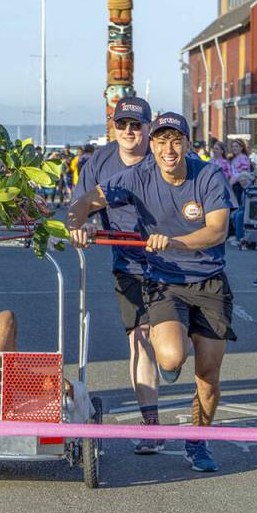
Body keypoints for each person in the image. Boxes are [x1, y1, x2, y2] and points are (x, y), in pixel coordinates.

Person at [67, 112, 235, 473]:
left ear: (188, 144)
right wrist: (76, 224)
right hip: (164, 281)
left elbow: (217, 231)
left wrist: (174, 241)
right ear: (152, 145)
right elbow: (86, 201)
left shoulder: (208, 175)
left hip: (209, 281)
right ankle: (170, 355)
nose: (168, 149)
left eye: (175, 141)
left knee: (208, 377)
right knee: (172, 358)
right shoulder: (136, 176)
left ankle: (197, 440)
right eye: (161, 141)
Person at [71, 96, 164, 454]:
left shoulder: (165, 157)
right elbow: (80, 206)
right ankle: (151, 423)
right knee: (140, 339)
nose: (129, 131)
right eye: (122, 124)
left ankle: (172, 357)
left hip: (175, 262)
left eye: (136, 125)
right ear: (114, 126)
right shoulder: (100, 161)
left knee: (171, 351)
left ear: (148, 127)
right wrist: (83, 224)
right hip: (129, 262)